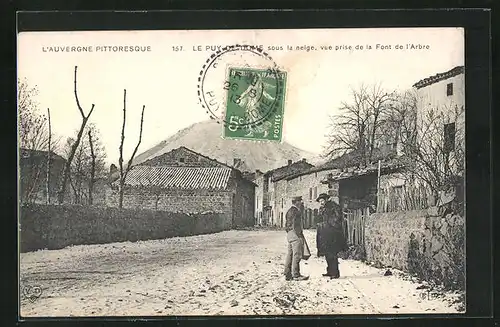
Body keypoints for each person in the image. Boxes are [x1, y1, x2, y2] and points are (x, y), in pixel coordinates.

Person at [316, 193, 346, 278]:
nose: (321, 202)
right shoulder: (322, 208)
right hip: (324, 233)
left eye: (322, 200)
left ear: (326, 199)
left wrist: (329, 224)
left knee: (332, 253)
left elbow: (338, 217)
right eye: (320, 201)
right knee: (327, 252)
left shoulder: (333, 206)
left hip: (332, 233)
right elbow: (320, 219)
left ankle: (335, 273)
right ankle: (329, 271)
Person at [283, 196, 309, 281]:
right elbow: (296, 225)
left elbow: (287, 224)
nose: (301, 202)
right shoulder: (296, 211)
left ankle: (287, 274)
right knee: (296, 255)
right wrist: (299, 235)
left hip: (289, 234)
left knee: (290, 254)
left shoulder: (289, 211)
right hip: (295, 234)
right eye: (300, 201)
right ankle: (296, 274)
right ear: (297, 202)